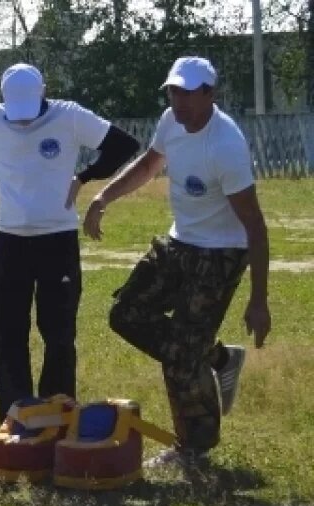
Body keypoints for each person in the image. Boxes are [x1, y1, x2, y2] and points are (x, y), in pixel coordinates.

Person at [82, 56, 270, 469]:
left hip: (221, 252)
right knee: (125, 313)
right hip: (180, 241)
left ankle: (194, 450)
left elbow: (255, 226)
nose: (178, 101)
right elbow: (150, 164)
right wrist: (102, 197)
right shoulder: (171, 121)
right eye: (173, 91)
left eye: (187, 92)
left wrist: (259, 301)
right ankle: (220, 358)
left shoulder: (226, 145)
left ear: (210, 94)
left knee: (181, 357)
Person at [0, 63, 140, 422]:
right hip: (10, 241)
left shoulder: (69, 116)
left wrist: (85, 176)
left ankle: (57, 415)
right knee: (9, 335)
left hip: (57, 240)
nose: (23, 122)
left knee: (59, 335)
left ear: (44, 92)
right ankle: (14, 420)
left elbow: (124, 145)